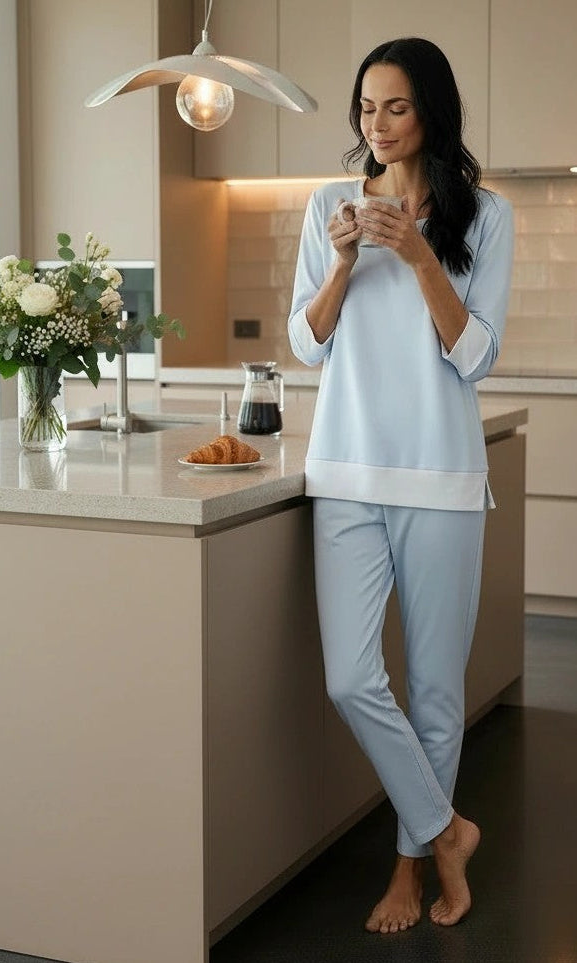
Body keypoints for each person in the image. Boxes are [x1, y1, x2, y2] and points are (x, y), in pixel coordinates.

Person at [288, 37, 513, 933]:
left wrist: (420, 255)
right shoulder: (325, 207)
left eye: (397, 108)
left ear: (432, 113)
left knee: (434, 689)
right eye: (366, 108)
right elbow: (306, 346)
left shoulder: (484, 216)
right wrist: (344, 262)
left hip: (442, 475)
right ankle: (447, 828)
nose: (377, 126)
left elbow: (477, 356)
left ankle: (411, 871)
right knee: (350, 677)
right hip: (344, 467)